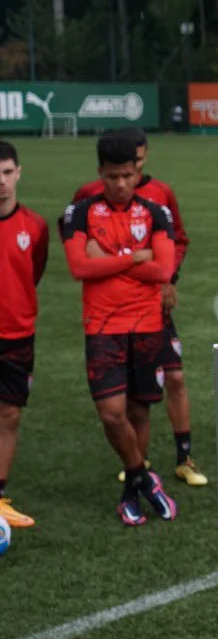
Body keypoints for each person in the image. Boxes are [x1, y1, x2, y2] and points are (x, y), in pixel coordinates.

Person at [74, 128, 206, 489]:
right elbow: (78, 248)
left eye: (138, 159)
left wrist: (168, 280)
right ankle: (139, 465)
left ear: (143, 157)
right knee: (127, 400)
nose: (125, 176)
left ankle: (184, 458)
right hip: (114, 309)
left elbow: (177, 240)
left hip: (155, 304)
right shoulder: (88, 199)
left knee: (175, 378)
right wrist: (130, 260)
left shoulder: (160, 196)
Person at [61, 133, 178, 526]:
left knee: (139, 410)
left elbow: (163, 270)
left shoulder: (156, 213)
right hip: (103, 327)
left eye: (128, 175)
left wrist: (109, 258)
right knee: (112, 413)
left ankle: (132, 489)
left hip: (147, 324)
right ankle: (144, 477)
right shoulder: (78, 214)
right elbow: (79, 268)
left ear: (137, 170)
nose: (121, 184)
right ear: (100, 173)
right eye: (112, 177)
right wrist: (135, 257)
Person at [0, 141, 48, 530]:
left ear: (18, 173)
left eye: (6, 172)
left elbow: (33, 272)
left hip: (17, 335)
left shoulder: (34, 226)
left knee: (10, 414)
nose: (0, 182)